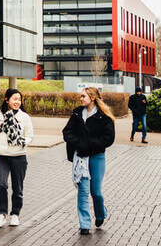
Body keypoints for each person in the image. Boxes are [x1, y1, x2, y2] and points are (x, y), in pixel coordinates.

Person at [62, 87, 115, 235]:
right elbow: (67, 131)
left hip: (97, 157)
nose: (81, 98)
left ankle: (100, 214)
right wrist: (79, 143)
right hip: (80, 157)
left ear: (92, 98)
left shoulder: (104, 116)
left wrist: (90, 144)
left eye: (83, 96)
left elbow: (108, 138)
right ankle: (84, 224)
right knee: (83, 191)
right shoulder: (77, 113)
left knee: (96, 192)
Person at [0, 88, 34, 228]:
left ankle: (15, 214)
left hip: (19, 156)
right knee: (1, 184)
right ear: (7, 100)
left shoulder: (24, 117)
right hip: (2, 156)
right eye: (14, 99)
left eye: (19, 99)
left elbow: (30, 135)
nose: (17, 102)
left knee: (17, 188)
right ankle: (1, 214)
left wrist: (23, 143)